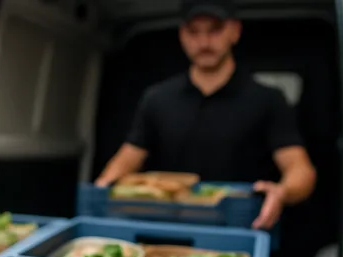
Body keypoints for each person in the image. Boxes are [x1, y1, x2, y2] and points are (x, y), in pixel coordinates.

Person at [95, 0, 316, 229]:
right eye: (194, 31)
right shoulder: (157, 98)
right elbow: (129, 156)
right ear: (182, 35)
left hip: (240, 229)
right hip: (168, 228)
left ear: (235, 31)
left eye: (214, 30)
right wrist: (102, 188)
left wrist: (282, 192)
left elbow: (300, 170)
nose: (203, 41)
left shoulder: (268, 100)